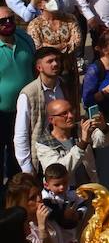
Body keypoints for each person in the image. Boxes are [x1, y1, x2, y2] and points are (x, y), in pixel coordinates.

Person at [14, 47, 73, 176]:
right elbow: (21, 134)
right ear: (39, 67)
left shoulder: (64, 86)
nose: (55, 64)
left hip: (66, 147)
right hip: (42, 153)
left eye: (57, 60)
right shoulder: (28, 94)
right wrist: (27, 168)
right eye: (50, 61)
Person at [0, 6, 36, 182]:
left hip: (26, 109)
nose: (8, 23)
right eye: (2, 21)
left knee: (20, 151)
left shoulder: (24, 38)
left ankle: (17, 188)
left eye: (11, 18)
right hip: (2, 113)